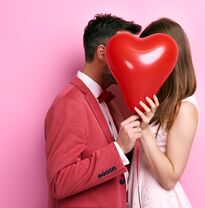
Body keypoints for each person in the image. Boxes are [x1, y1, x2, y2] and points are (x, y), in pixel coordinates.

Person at [44, 14, 142, 208]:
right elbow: (60, 182)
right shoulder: (69, 103)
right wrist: (118, 149)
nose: (130, 62)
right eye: (125, 53)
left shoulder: (108, 102)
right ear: (102, 52)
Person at [127, 17, 199, 208]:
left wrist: (144, 131)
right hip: (136, 197)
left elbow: (169, 179)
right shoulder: (156, 100)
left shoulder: (185, 108)